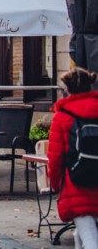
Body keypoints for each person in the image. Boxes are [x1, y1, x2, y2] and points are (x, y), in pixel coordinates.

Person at [49, 68, 98, 248]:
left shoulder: (63, 116)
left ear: (67, 89)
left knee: (91, 238)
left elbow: (55, 157)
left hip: (77, 183)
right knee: (82, 233)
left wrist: (55, 183)